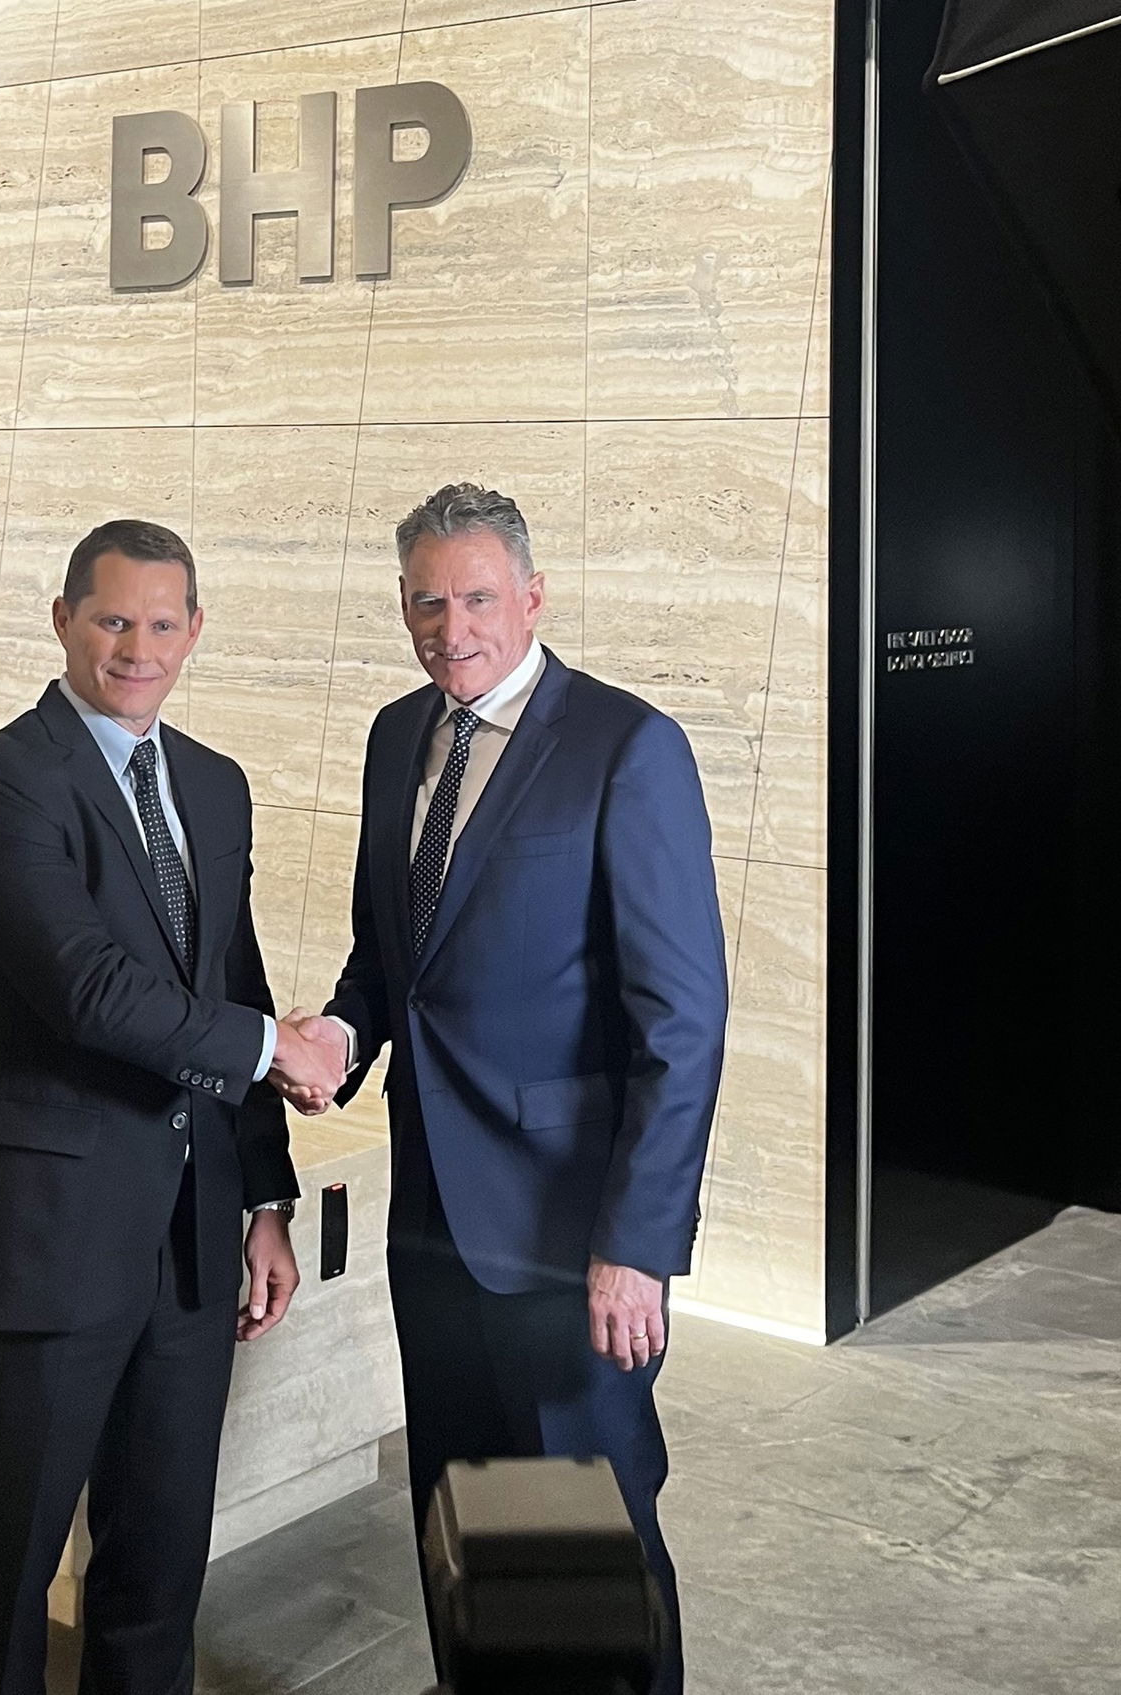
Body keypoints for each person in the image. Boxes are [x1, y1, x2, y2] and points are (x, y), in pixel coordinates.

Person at [276, 484, 728, 1695]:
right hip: (429, 1217)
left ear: (532, 594)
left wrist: (637, 1244)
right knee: (469, 1513)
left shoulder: (626, 748)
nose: (450, 626)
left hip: (565, 1234)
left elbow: (681, 1025)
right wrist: (340, 1032)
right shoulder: (394, 735)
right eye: (426, 602)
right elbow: (392, 957)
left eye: (476, 597)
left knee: (585, 1529)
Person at [0, 519, 346, 1695]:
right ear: (64, 622)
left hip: (190, 1243)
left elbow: (229, 981)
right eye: (112, 620)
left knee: (157, 1569)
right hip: (43, 1235)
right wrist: (265, 1048)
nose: (137, 648)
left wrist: (265, 1197)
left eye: (162, 623)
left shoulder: (214, 783)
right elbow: (90, 988)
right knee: (9, 1568)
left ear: (195, 632)